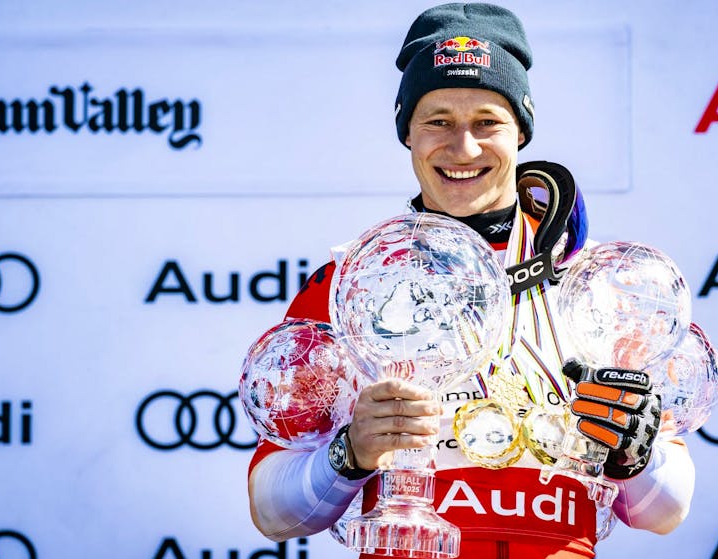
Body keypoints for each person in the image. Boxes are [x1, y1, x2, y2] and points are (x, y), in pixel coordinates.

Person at [247, 3, 695, 558]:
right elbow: (272, 512)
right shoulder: (351, 285)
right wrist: (350, 453)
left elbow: (667, 511)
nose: (463, 147)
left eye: (487, 121)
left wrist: (636, 458)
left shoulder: (596, 286)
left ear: (521, 131)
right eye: (438, 121)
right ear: (407, 133)